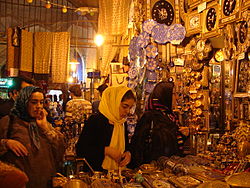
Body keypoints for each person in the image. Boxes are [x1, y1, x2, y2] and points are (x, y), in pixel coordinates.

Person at [0, 86, 65, 188]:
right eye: (34, 102)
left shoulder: (43, 123)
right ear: (24, 102)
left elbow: (60, 149)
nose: (39, 106)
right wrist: (6, 143)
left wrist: (46, 128)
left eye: (41, 102)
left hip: (45, 182)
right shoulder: (9, 122)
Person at [129, 81, 189, 168]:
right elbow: (138, 145)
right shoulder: (149, 117)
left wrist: (183, 135)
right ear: (164, 95)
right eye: (173, 94)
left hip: (170, 168)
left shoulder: (171, 116)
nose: (176, 98)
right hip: (153, 169)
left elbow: (173, 144)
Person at [76, 86, 136, 171]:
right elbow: (81, 150)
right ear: (113, 102)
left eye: (130, 107)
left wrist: (128, 153)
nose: (128, 111)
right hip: (96, 174)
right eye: (125, 106)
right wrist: (106, 150)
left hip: (117, 174)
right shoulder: (95, 121)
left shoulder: (121, 122)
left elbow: (126, 146)